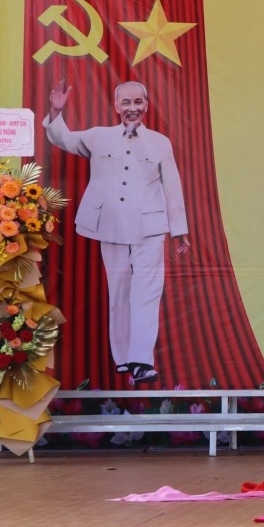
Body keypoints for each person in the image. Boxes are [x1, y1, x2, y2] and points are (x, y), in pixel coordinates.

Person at [44, 79, 189, 387]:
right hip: (109, 226)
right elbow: (63, 139)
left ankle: (142, 361)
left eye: (138, 102)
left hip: (150, 229)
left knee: (147, 293)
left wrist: (179, 231)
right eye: (126, 102)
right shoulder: (98, 136)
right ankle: (123, 358)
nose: (132, 108)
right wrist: (56, 111)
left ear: (146, 106)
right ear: (116, 106)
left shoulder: (160, 142)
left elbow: (172, 187)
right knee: (119, 291)